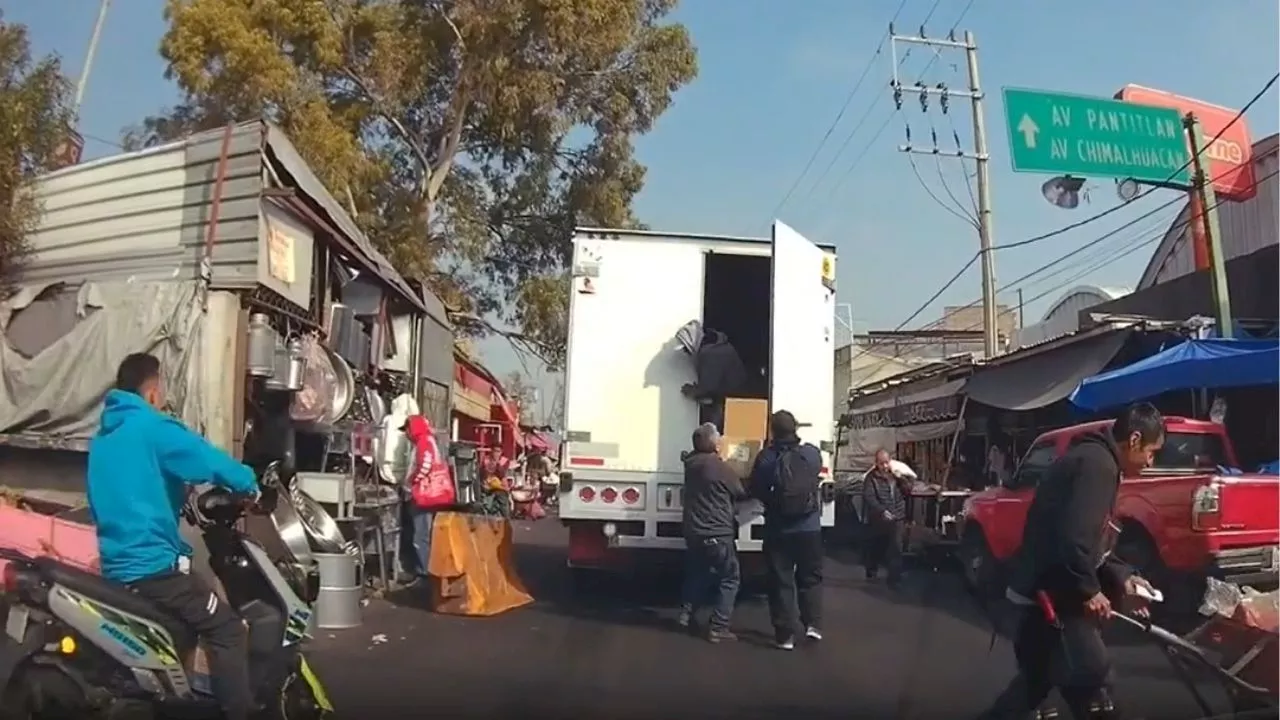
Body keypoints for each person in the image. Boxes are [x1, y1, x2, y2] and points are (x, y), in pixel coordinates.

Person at [87, 353, 260, 720]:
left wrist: (177, 494)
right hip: (153, 569)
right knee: (227, 628)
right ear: (151, 391)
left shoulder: (103, 437)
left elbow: (134, 487)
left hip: (115, 566)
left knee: (183, 626)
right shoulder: (152, 427)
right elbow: (207, 459)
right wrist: (249, 483)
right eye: (161, 390)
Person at [977, 403, 1165, 720]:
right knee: (1094, 684)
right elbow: (1073, 539)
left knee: (1037, 685)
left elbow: (1094, 542)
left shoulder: (1094, 460)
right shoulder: (1097, 467)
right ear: (1134, 440)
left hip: (1045, 591)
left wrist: (1123, 577)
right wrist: (1090, 590)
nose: (1151, 462)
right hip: (1052, 597)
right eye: (1152, 452)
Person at [749, 410, 824, 651]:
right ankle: (812, 625)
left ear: (773, 431)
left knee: (781, 580)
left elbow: (756, 488)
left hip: (778, 529)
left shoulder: (766, 458)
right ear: (796, 429)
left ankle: (785, 635)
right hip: (809, 527)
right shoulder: (811, 454)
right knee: (810, 578)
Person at [677, 423, 747, 642]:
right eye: (718, 437)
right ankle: (719, 625)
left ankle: (686, 614)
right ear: (712, 442)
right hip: (716, 530)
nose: (721, 440)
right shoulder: (718, 467)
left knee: (699, 572)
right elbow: (740, 491)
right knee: (730, 577)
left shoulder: (691, 463)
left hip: (693, 530)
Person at [399, 415, 443, 586]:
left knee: (420, 535)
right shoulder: (427, 440)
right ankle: (425, 570)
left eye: (407, 430)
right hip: (428, 494)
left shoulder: (424, 441)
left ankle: (423, 573)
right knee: (424, 533)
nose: (406, 434)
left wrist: (412, 481)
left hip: (423, 495)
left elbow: (425, 465)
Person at [862, 449, 908, 587]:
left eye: (887, 462)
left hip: (897, 515)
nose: (885, 466)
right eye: (882, 463)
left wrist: (901, 478)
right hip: (880, 518)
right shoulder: (871, 478)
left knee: (896, 547)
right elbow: (869, 497)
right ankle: (871, 569)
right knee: (878, 546)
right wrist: (882, 511)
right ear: (876, 463)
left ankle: (894, 579)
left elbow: (908, 490)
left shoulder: (895, 476)